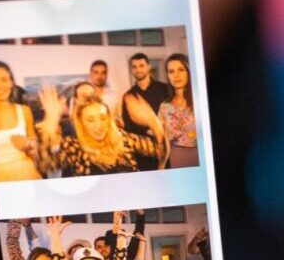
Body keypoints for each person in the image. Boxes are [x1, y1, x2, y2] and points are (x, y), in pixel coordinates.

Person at [38, 87, 168, 177]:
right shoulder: (73, 146)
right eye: (90, 120)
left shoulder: (123, 138)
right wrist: (50, 120)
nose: (98, 126)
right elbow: (47, 165)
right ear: (81, 123)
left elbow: (161, 152)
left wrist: (154, 123)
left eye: (102, 118)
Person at [0, 60, 41, 182]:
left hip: (25, 174)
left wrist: (29, 146)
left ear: (11, 83)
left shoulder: (24, 111)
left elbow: (36, 151)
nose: (0, 86)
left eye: (4, 80)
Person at [121, 53, 170, 171]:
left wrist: (159, 127)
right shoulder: (128, 96)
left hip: (167, 150)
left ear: (148, 67)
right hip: (143, 154)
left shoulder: (165, 89)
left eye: (141, 65)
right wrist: (149, 129)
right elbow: (128, 127)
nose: (138, 70)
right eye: (134, 67)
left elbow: (172, 116)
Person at [158, 53, 198, 168]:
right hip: (177, 158)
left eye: (181, 70)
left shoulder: (199, 100)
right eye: (171, 71)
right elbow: (163, 141)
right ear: (167, 76)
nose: (176, 75)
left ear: (189, 72)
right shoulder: (164, 107)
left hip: (201, 155)